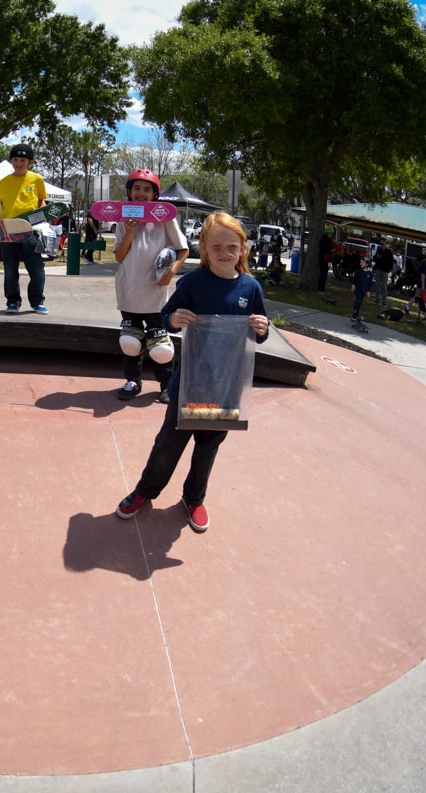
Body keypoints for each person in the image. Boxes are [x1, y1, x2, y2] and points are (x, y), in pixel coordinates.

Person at [116, 211, 270, 533]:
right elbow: (168, 313)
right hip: (191, 379)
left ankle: (194, 498)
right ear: (203, 247)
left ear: (243, 248)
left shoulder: (251, 288)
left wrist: (261, 327)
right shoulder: (192, 282)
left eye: (232, 246)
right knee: (170, 441)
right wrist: (174, 319)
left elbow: (261, 328)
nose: (224, 253)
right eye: (216, 247)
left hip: (227, 383)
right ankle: (146, 491)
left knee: (209, 443)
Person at [112, 168, 189, 403]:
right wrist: (130, 230)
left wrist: (171, 273)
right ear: (129, 192)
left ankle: (167, 385)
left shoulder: (165, 217)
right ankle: (133, 381)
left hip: (156, 292)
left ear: (155, 194)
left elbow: (182, 249)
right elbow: (119, 256)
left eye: (147, 189)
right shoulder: (124, 219)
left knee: (161, 346)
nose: (141, 193)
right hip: (129, 289)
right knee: (130, 342)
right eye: (136, 188)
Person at [0, 143, 48, 314]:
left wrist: (43, 214)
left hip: (30, 229)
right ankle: (13, 301)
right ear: (11, 161)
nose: (19, 163)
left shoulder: (36, 179)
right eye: (16, 160)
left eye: (23, 160)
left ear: (30, 162)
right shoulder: (4, 182)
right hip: (8, 231)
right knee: (10, 270)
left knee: (36, 269)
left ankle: (37, 301)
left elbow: (42, 200)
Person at [372, 240, 395, 306]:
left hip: (385, 271)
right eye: (381, 244)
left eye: (383, 244)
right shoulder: (379, 250)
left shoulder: (389, 252)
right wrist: (377, 257)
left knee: (384, 286)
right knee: (377, 285)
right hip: (379, 269)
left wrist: (388, 269)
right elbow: (374, 258)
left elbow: (391, 261)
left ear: (386, 244)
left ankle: (384, 302)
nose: (382, 245)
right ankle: (377, 300)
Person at [350, 257, 373, 322]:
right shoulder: (358, 271)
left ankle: (356, 315)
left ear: (367, 264)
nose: (361, 264)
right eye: (360, 262)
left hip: (364, 290)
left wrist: (368, 291)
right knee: (358, 300)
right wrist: (353, 285)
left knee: (360, 303)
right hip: (357, 289)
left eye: (363, 262)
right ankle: (354, 315)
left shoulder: (369, 274)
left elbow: (369, 284)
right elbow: (354, 279)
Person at [316, 228, 334, 293]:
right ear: (327, 233)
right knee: (322, 274)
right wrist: (330, 250)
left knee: (325, 274)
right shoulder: (323, 240)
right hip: (322, 258)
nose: (331, 235)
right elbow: (323, 249)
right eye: (330, 234)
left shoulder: (329, 240)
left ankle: (322, 288)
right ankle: (320, 288)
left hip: (326, 258)